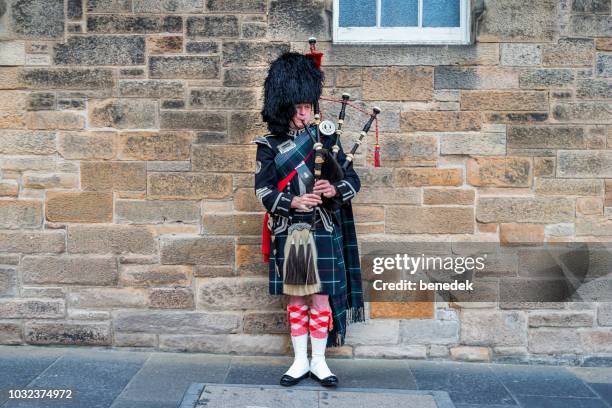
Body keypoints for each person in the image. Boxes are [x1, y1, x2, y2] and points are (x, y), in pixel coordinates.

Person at [253, 52, 365, 387]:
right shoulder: (268, 145)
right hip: (292, 231)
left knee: (320, 296)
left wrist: (333, 189)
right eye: (297, 107)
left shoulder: (326, 138)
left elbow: (353, 181)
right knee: (298, 296)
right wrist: (292, 201)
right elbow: (262, 191)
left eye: (308, 105)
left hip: (323, 229)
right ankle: (299, 360)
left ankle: (319, 361)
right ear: (282, 106)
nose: (304, 113)